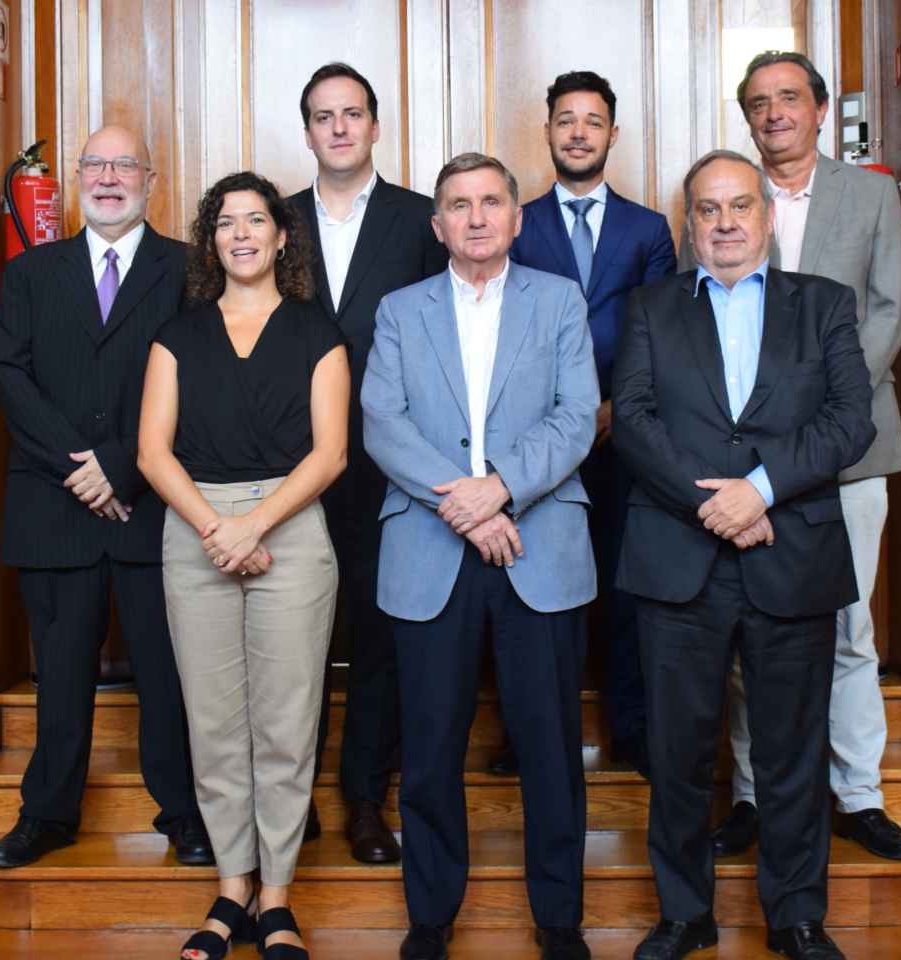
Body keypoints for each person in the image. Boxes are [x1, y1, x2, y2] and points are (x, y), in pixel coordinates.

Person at [613, 150, 874, 960]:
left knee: (792, 753)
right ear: (688, 225)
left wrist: (759, 491)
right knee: (678, 754)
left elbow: (848, 421)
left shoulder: (823, 304)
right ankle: (685, 915)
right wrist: (715, 506)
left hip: (791, 552)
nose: (724, 224)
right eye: (707, 210)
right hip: (677, 560)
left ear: (766, 215)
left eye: (739, 207)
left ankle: (797, 916)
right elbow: (633, 418)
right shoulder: (653, 307)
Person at [362, 152, 598, 960]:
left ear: (516, 216)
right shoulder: (400, 310)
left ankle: (559, 920)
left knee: (550, 747)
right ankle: (430, 915)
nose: (476, 217)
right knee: (429, 747)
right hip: (430, 549)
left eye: (491, 201)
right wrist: (461, 503)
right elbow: (382, 424)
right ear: (438, 226)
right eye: (459, 205)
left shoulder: (560, 301)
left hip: (540, 543)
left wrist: (499, 490)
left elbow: (576, 418)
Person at [711, 51, 901, 865]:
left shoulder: (869, 195)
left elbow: (888, 313)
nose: (774, 114)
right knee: (745, 627)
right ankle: (755, 797)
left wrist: (815, 419)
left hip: (849, 450)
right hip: (740, 460)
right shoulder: (725, 195)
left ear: (821, 110)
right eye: (759, 103)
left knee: (850, 628)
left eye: (789, 98)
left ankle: (858, 795)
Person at [137, 171, 349, 960]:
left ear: (283, 236)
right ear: (211, 240)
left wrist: (253, 524)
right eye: (226, 223)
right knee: (217, 722)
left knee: (287, 721)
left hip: (289, 527)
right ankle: (232, 888)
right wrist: (215, 528)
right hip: (196, 528)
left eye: (257, 220)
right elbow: (152, 451)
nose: (243, 233)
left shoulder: (317, 332)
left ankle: (280, 897)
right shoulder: (176, 335)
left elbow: (331, 453)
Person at [0, 124, 209, 870]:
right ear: (79, 178)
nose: (108, 176)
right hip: (55, 506)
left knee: (167, 676)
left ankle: (183, 814)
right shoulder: (32, 272)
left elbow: (199, 383)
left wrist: (121, 466)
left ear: (151, 179)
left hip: (151, 506)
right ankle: (47, 815)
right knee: (61, 676)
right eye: (95, 164)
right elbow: (11, 376)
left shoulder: (187, 269)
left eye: (124, 165)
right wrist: (81, 470)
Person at [287, 62, 450, 863]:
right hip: (292, 471)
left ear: (376, 126)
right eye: (324, 116)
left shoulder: (425, 221)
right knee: (296, 641)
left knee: (380, 642)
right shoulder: (271, 222)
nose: (340, 128)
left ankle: (362, 800)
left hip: (392, 471)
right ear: (309, 131)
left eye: (354, 114)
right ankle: (292, 799)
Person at [501, 69, 676, 778]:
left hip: (623, 437)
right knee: (534, 591)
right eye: (565, 119)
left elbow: (661, 330)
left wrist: (609, 407)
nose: (578, 132)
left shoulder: (648, 229)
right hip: (534, 441)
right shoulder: (517, 223)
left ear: (612, 133)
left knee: (628, 589)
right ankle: (530, 736)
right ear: (546, 131)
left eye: (592, 120)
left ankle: (629, 732)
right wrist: (562, 417)